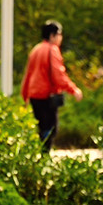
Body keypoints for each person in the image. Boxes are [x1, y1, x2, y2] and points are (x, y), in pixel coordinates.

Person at [20, 20, 83, 152]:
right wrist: (73, 89)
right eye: (59, 34)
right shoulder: (52, 50)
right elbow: (58, 75)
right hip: (46, 96)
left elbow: (28, 74)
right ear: (52, 35)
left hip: (34, 95)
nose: (61, 37)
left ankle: (41, 155)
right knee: (51, 128)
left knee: (42, 127)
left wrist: (25, 95)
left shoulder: (35, 49)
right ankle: (44, 155)